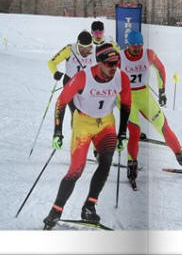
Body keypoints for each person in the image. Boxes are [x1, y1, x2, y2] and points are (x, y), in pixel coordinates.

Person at [43, 43, 131, 230]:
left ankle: (89, 206)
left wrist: (122, 133)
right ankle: (56, 211)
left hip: (106, 124)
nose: (114, 67)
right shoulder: (83, 77)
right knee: (76, 170)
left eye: (116, 62)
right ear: (99, 62)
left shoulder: (121, 77)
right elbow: (61, 102)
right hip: (83, 124)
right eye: (109, 63)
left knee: (106, 161)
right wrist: (57, 131)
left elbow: (126, 105)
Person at [119, 30, 182, 186]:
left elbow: (161, 69)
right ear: (128, 45)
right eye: (134, 47)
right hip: (127, 97)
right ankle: (131, 165)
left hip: (144, 95)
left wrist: (162, 91)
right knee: (134, 131)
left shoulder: (148, 54)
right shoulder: (120, 57)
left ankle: (181, 157)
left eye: (139, 46)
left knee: (163, 125)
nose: (137, 50)